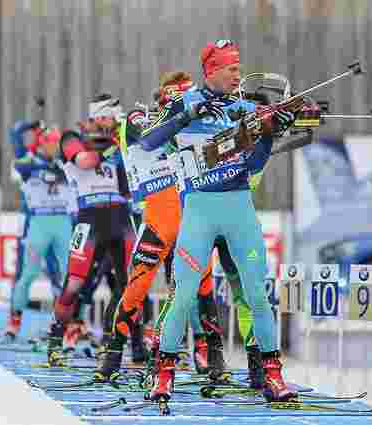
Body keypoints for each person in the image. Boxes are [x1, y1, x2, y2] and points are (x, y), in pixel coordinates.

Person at [140, 39, 300, 402]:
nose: (237, 75)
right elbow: (148, 142)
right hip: (199, 210)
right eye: (231, 69)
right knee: (183, 297)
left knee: (258, 295)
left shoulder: (245, 109)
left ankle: (273, 376)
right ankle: (163, 375)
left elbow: (254, 165)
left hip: (239, 208)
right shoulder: (185, 101)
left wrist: (269, 134)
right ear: (212, 70)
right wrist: (186, 115)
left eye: (239, 68)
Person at [96, 71, 263, 388]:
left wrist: (255, 126)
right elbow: (147, 134)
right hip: (158, 219)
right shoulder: (140, 118)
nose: (192, 102)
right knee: (137, 287)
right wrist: (185, 114)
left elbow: (230, 150)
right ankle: (112, 355)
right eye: (183, 97)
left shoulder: (196, 128)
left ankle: (213, 357)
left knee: (202, 288)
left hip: (190, 216)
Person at [46, 94, 139, 366]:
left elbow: (128, 185)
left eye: (114, 119)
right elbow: (84, 161)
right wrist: (113, 147)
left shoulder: (122, 141)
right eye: (106, 118)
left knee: (131, 285)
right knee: (74, 284)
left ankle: (126, 345)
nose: (110, 124)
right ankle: (55, 340)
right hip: (89, 220)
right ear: (96, 118)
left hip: (120, 218)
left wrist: (125, 145)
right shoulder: (71, 138)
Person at [3, 121, 73, 341]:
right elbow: (20, 165)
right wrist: (43, 167)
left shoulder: (64, 162)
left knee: (66, 275)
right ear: (43, 144)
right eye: (52, 143)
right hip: (39, 222)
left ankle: (61, 325)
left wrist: (59, 169)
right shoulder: (30, 160)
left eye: (58, 144)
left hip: (63, 222)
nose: (56, 148)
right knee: (29, 273)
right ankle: (14, 323)